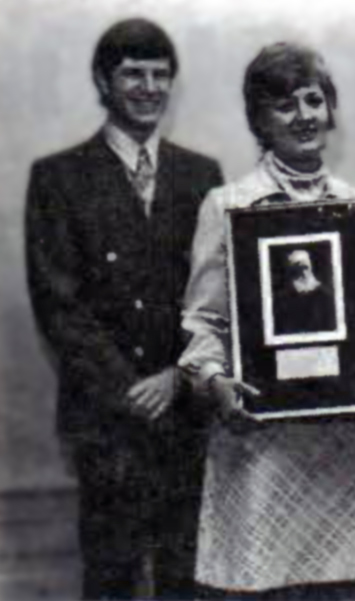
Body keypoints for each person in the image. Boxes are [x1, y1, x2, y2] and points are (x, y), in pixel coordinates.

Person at [178, 42, 355, 599]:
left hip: (351, 458)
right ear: (259, 120)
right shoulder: (228, 205)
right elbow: (202, 322)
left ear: (331, 109)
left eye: (314, 100)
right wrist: (214, 383)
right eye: (285, 105)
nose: (304, 116)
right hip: (267, 455)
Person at [25, 18, 224, 599]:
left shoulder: (200, 176)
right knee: (110, 574)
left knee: (182, 575)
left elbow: (213, 295)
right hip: (105, 423)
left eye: (160, 74)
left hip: (184, 414)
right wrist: (131, 390)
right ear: (102, 81)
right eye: (133, 73)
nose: (148, 87)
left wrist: (177, 379)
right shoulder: (58, 179)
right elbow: (58, 307)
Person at [272, 248, 336, 335]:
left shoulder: (326, 296)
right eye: (297, 266)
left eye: (304, 266)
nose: (303, 271)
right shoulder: (282, 300)